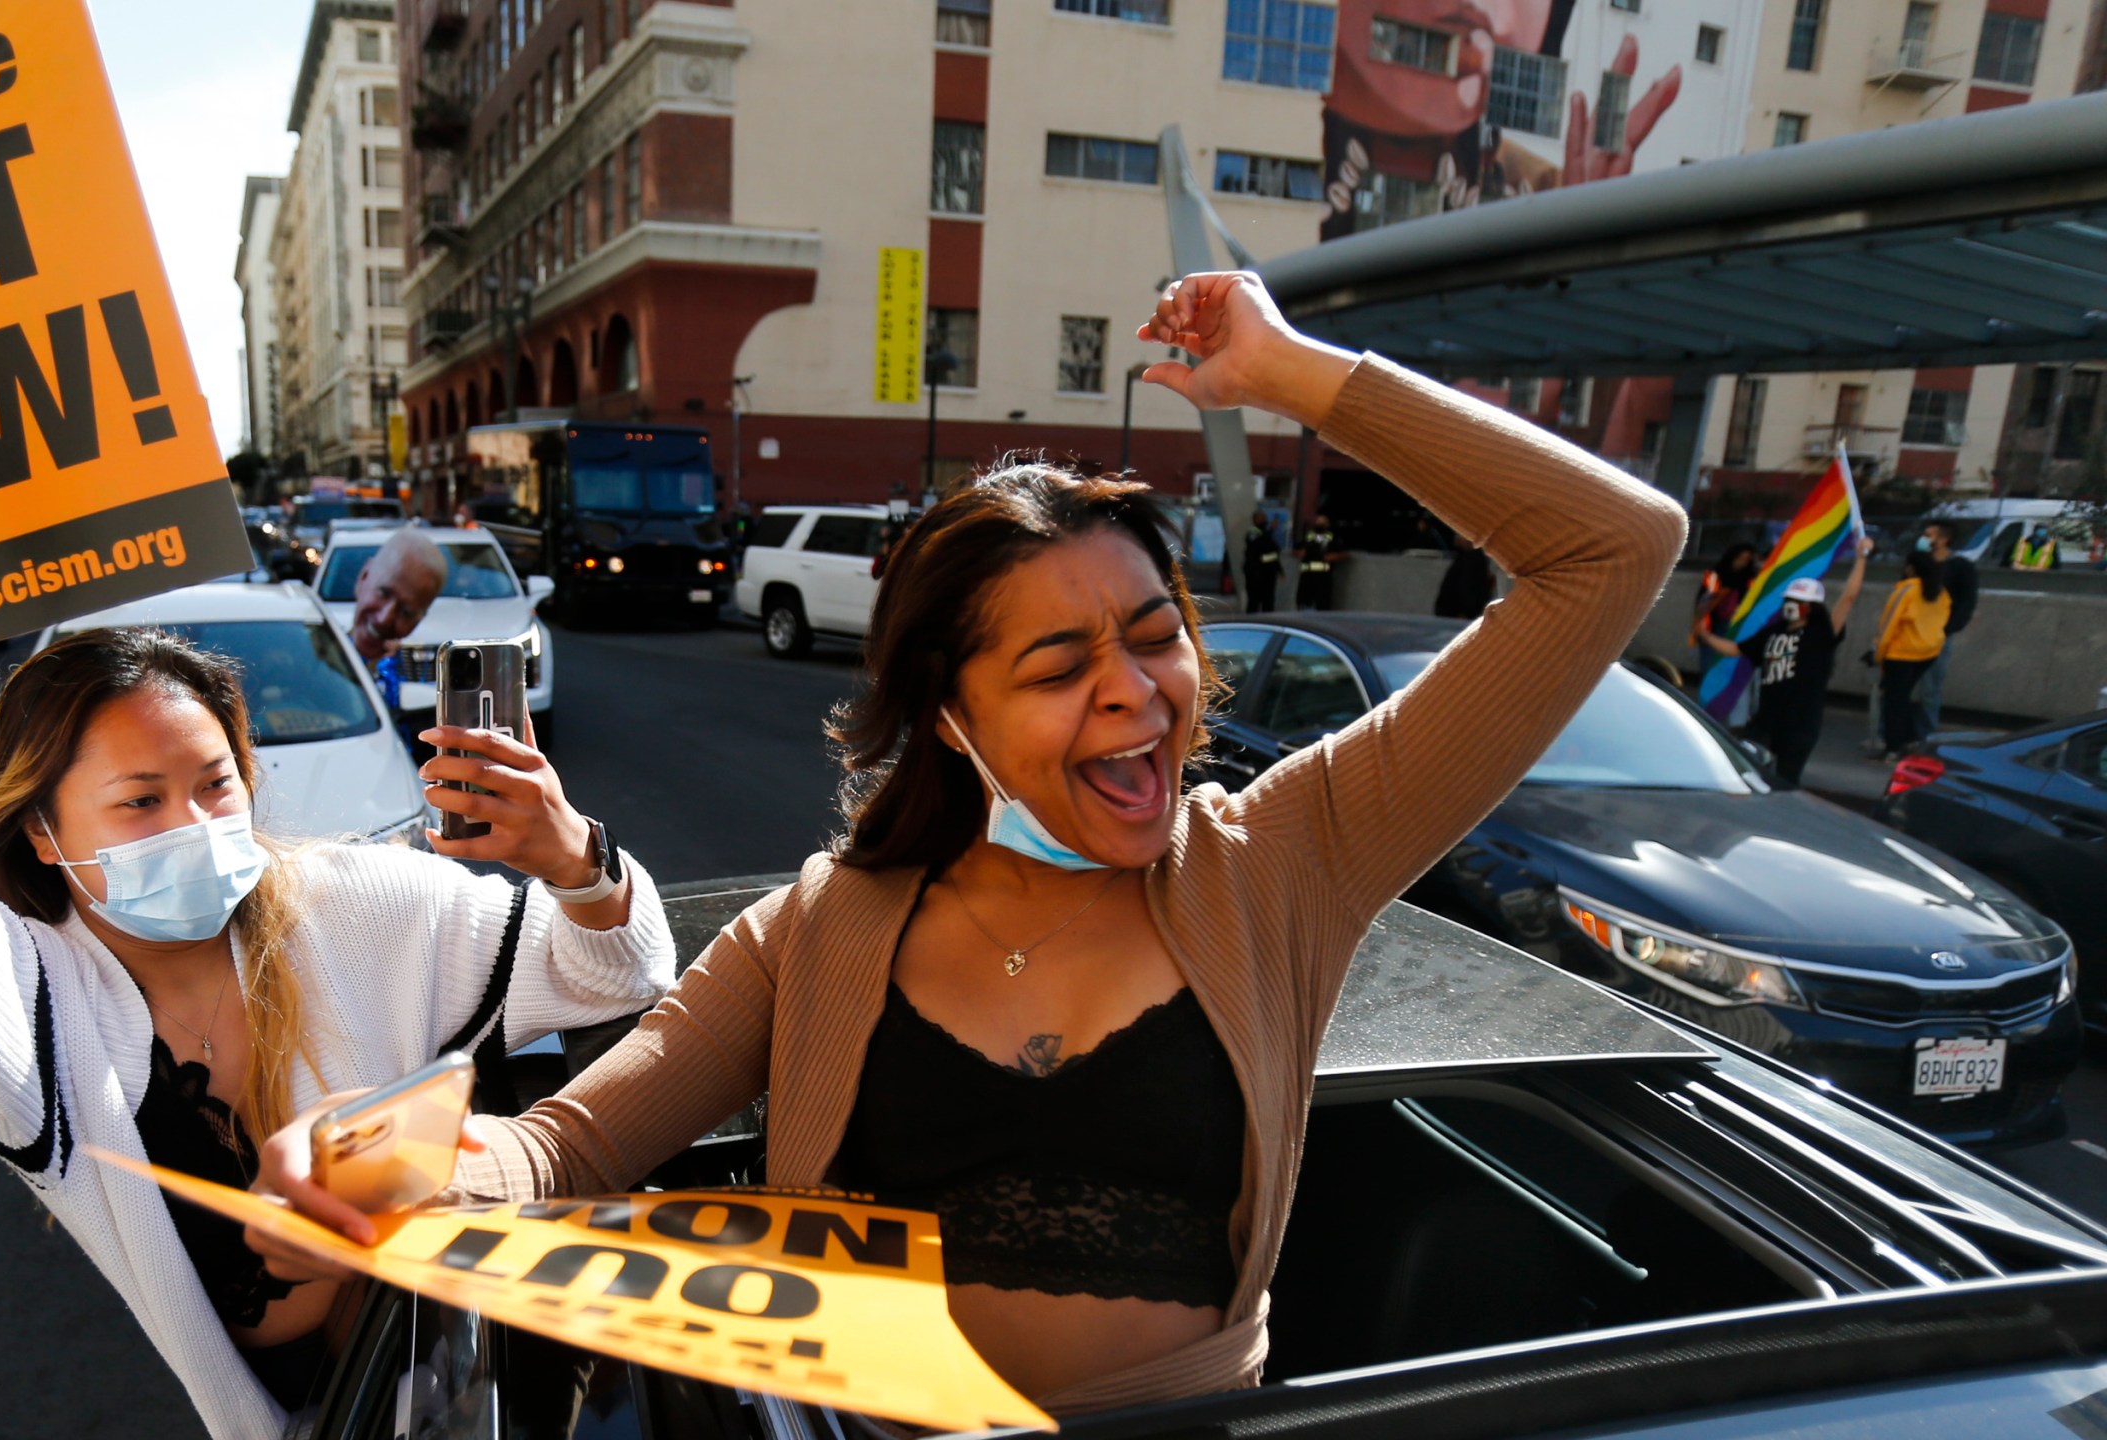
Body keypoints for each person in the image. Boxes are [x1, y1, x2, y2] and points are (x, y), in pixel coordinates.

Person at [250, 269, 1687, 1414]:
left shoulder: (1285, 860)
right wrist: (396, 1167)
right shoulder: (818, 930)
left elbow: (1608, 551)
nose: (1136, 690)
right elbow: (568, 1144)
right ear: (950, 719)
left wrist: (1291, 375)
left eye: (1154, 638)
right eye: (1060, 667)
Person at [0, 283, 680, 1440]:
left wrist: (576, 858)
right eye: (137, 801)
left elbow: (620, 974)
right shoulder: (24, 1018)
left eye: (215, 783)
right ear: (42, 831)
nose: (191, 823)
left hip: (490, 1385)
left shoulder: (359, 905)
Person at [1693, 540, 1869, 787]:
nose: (1791, 606)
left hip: (1800, 723)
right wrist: (1705, 635)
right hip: (1766, 720)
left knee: (1785, 780)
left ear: (1811, 608)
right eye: (1789, 600)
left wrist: (1861, 558)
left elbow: (1848, 598)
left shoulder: (1821, 634)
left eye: (1798, 602)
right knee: (1747, 773)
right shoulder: (1773, 631)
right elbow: (1736, 649)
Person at [1872, 548, 1952, 754]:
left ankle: (1893, 747)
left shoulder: (1905, 591)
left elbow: (1888, 625)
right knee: (1903, 698)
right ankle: (1907, 740)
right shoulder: (1941, 593)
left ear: (1910, 567)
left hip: (1901, 654)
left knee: (1894, 702)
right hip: (1927, 653)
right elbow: (1943, 621)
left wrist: (1878, 655)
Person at [351, 528, 449, 667]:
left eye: (405, 612)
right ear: (363, 577)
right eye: (383, 593)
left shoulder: (406, 678)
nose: (384, 619)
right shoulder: (312, 658)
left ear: (417, 621)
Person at [1914, 521, 1977, 732]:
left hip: (1938, 635)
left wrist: (1947, 629)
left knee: (1930, 688)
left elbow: (1967, 602)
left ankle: (1925, 733)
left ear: (1943, 539)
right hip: (1911, 631)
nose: (1924, 539)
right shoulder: (1919, 564)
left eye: (1928, 535)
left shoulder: (1960, 567)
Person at [1294, 512, 1345, 610]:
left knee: (1323, 604)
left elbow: (1343, 554)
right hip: (1307, 576)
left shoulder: (1332, 538)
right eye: (1318, 522)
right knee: (1304, 603)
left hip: (1324, 577)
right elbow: (1295, 549)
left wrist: (1333, 557)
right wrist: (1300, 553)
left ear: (1327, 525)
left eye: (1322, 523)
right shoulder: (1308, 537)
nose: (1319, 525)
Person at [1433, 541, 1495, 619]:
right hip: (1456, 614)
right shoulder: (1465, 557)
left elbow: (1467, 586)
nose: (1457, 537)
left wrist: (1465, 612)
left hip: (1459, 615)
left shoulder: (1472, 559)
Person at [1242, 513, 1282, 613]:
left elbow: (1273, 553)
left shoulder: (1267, 533)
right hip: (1255, 571)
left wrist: (1280, 570)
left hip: (1269, 571)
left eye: (1265, 518)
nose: (1264, 521)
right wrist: (1270, 530)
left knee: (1268, 599)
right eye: (1261, 519)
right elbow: (1258, 545)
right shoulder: (1253, 532)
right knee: (1254, 600)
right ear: (1255, 520)